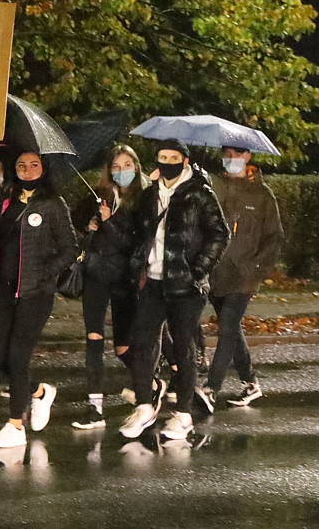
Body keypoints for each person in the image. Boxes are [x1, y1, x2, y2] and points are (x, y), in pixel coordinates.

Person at [120, 140, 228, 441]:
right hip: (152, 280)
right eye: (162, 157)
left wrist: (197, 270)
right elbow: (138, 229)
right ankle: (144, 406)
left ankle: (182, 414)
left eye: (173, 157)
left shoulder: (199, 192)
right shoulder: (151, 192)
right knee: (142, 341)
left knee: (183, 345)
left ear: (185, 161)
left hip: (187, 284)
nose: (167, 162)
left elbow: (220, 234)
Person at [0, 151, 78, 448]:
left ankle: (15, 424)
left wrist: (46, 272)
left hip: (36, 293)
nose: (28, 171)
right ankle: (40, 393)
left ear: (44, 169)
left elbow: (70, 248)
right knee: (2, 358)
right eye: (21, 165)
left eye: (34, 165)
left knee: (18, 356)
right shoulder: (3, 199)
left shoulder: (53, 204)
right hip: (4, 289)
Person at [194, 145, 284, 412]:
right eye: (227, 154)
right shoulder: (215, 186)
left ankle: (211, 388)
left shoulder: (262, 195)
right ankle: (251, 382)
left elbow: (274, 238)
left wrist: (256, 268)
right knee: (231, 329)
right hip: (217, 272)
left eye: (237, 154)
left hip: (244, 276)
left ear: (248, 157)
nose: (231, 159)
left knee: (227, 329)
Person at [71, 145, 148, 430]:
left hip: (124, 278)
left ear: (136, 167)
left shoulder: (143, 199)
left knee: (122, 347)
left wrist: (109, 223)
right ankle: (95, 407)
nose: (121, 171)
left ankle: (149, 383)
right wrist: (89, 225)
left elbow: (133, 245)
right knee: (93, 338)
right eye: (115, 166)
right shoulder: (99, 193)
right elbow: (76, 219)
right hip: (95, 274)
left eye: (126, 165)